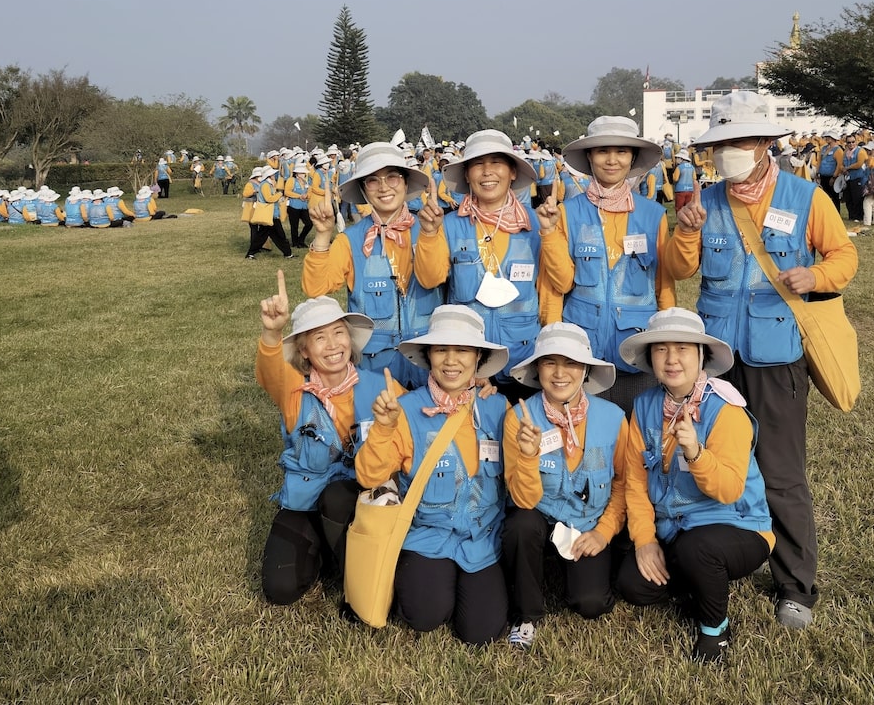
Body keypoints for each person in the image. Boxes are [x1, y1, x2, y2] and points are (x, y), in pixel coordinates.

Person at [667, 90, 858, 630]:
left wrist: (815, 277)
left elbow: (844, 256)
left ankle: (795, 585)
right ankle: (714, 560)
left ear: (764, 144)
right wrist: (686, 229)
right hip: (718, 359)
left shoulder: (805, 197)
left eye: (740, 141)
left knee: (780, 472)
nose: (730, 151)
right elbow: (682, 271)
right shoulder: (703, 200)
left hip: (777, 357)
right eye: (721, 143)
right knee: (709, 458)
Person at [614, 308, 773, 663]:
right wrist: (644, 542)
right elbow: (636, 482)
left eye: (683, 348)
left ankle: (715, 628)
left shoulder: (727, 409)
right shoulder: (645, 405)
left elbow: (730, 490)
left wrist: (696, 453)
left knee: (697, 551)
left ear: (701, 355)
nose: (672, 359)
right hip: (674, 529)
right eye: (661, 349)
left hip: (738, 527)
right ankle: (699, 584)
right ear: (650, 357)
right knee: (631, 585)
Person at [355, 305, 511, 645]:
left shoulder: (498, 408)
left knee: (481, 632)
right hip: (427, 538)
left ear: (479, 358)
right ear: (428, 356)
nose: (451, 361)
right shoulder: (405, 409)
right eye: (441, 349)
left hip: (482, 539)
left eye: (463, 351)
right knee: (424, 616)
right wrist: (383, 429)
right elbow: (369, 477)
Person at [256, 270, 391, 606]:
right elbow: (270, 370)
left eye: (338, 333)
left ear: (350, 339)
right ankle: (325, 551)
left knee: (337, 497)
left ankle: (352, 564)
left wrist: (478, 389)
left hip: (358, 500)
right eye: (319, 338)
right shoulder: (293, 390)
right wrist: (272, 333)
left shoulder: (380, 385)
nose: (333, 346)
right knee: (281, 588)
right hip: (305, 499)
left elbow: (419, 417)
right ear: (304, 352)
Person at [501, 322, 627, 649]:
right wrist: (528, 457)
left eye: (571, 362)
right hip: (539, 517)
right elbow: (523, 499)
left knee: (591, 604)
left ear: (585, 370)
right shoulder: (518, 418)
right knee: (520, 525)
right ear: (537, 369)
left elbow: (624, 483)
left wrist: (604, 531)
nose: (560, 373)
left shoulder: (613, 417)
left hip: (588, 523)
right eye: (549, 362)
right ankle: (526, 615)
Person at [537, 116, 675, 409]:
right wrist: (548, 233)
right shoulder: (567, 213)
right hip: (583, 356)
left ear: (633, 157)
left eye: (622, 152)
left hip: (637, 354)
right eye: (602, 151)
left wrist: (666, 346)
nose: (612, 160)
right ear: (589, 157)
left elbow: (664, 286)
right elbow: (558, 285)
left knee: (637, 442)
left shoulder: (653, 215)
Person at [415, 130, 545, 399]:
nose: (487, 172)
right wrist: (428, 234)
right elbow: (430, 279)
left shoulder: (536, 225)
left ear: (512, 172)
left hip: (523, 361)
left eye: (497, 162)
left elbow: (552, 291)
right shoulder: (448, 224)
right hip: (467, 367)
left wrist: (548, 354)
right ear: (466, 174)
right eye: (478, 164)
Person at [303, 142, 442, 389]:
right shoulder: (351, 239)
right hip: (375, 368)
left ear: (406, 183)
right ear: (363, 190)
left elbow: (432, 278)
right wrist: (323, 235)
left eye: (393, 177)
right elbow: (316, 288)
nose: (384, 187)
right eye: (373, 181)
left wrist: (430, 235)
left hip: (428, 360)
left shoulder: (431, 229)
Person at [245, 167, 294, 260]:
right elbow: (269, 199)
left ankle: (251, 253)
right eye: (272, 174)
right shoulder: (266, 185)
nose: (274, 175)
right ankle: (288, 253)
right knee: (279, 235)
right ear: (269, 175)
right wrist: (279, 194)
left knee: (264, 236)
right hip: (270, 214)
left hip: (271, 214)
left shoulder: (267, 184)